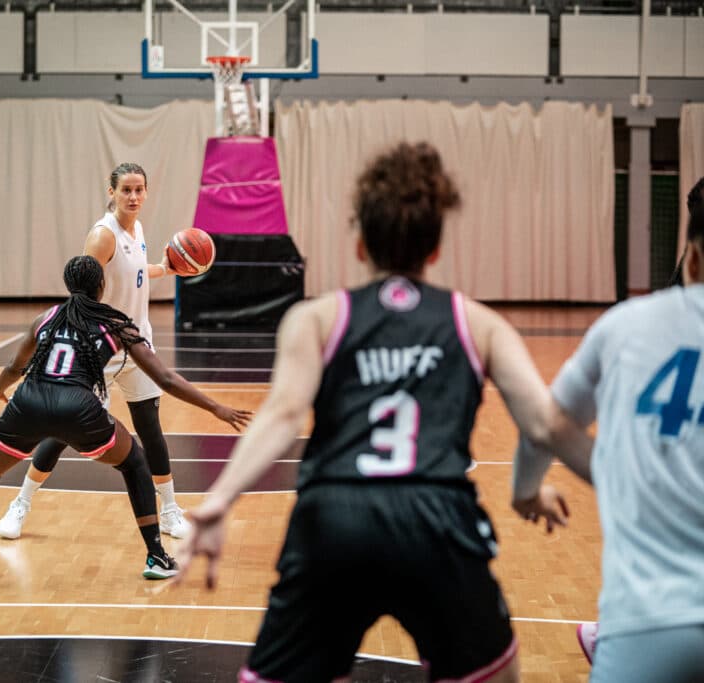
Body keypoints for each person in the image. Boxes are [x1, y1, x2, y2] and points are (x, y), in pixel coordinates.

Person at [174, 142, 585, 683]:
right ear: (435, 249)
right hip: (437, 519)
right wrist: (544, 490)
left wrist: (220, 500)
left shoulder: (316, 318)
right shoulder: (479, 323)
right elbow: (545, 425)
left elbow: (281, 416)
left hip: (334, 521)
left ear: (360, 244)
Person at [0, 256, 251, 587]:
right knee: (135, 461)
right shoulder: (116, 323)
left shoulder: (45, 317)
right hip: (78, 408)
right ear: (101, 286)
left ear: (67, 285)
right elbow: (166, 379)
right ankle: (156, 554)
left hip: (28, 402)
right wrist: (215, 407)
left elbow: (16, 366)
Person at [513, 185, 704, 682]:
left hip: (648, 622)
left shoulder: (627, 326)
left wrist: (526, 491)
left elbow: (547, 425)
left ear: (694, 258)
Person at [0, 162, 192, 541]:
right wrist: (86, 340)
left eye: (139, 190)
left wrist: (164, 270)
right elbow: (83, 293)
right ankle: (20, 503)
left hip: (135, 343)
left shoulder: (137, 229)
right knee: (62, 431)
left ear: (147, 192)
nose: (133, 197)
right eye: (126, 190)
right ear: (111, 192)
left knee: (150, 429)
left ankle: (169, 509)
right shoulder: (103, 235)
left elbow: (130, 273)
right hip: (98, 347)